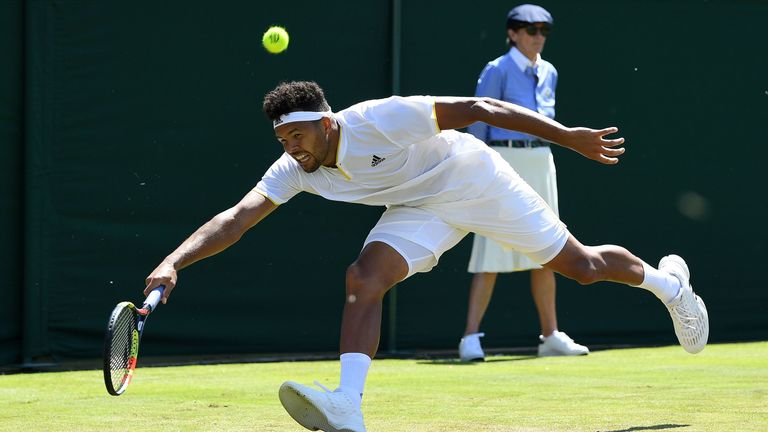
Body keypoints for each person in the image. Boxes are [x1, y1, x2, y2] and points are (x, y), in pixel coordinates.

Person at [144, 80, 709, 432]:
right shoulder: (296, 169)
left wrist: (567, 136)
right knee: (363, 277)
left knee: (582, 268)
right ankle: (347, 403)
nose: (291, 150)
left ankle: (671, 287)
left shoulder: (377, 119)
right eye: (282, 141)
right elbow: (236, 219)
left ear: (325, 122)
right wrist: (174, 261)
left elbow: (478, 106)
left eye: (298, 137)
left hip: (473, 177)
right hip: (420, 208)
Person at [459, 4, 588, 362]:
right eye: (531, 30)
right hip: (502, 162)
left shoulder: (550, 71)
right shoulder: (496, 70)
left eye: (544, 30)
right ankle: (470, 338)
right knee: (489, 250)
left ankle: (550, 336)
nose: (538, 37)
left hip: (541, 161)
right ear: (513, 34)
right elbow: (477, 122)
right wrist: (478, 169)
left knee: (549, 249)